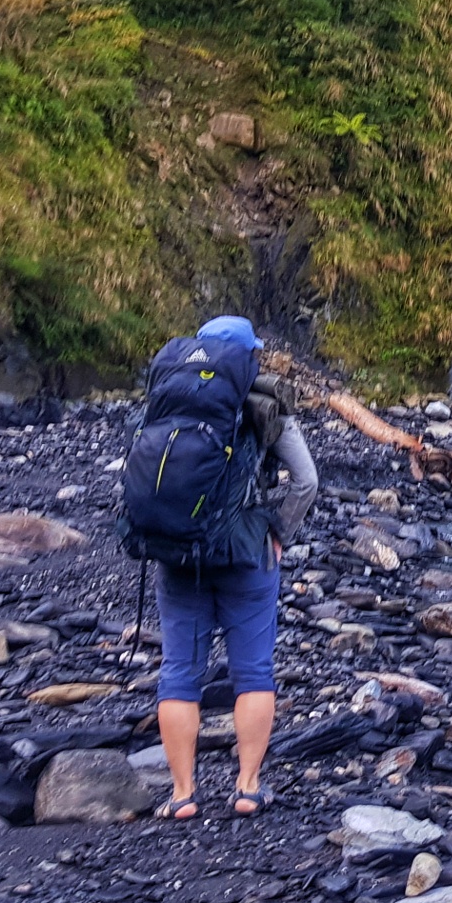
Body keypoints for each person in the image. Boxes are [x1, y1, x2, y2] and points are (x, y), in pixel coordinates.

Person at [148, 316, 317, 820]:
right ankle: (246, 787)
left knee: (179, 672)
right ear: (248, 358)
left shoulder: (166, 398)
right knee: (253, 672)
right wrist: (278, 531)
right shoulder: (267, 406)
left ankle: (182, 794)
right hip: (248, 553)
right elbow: (306, 481)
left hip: (178, 552)